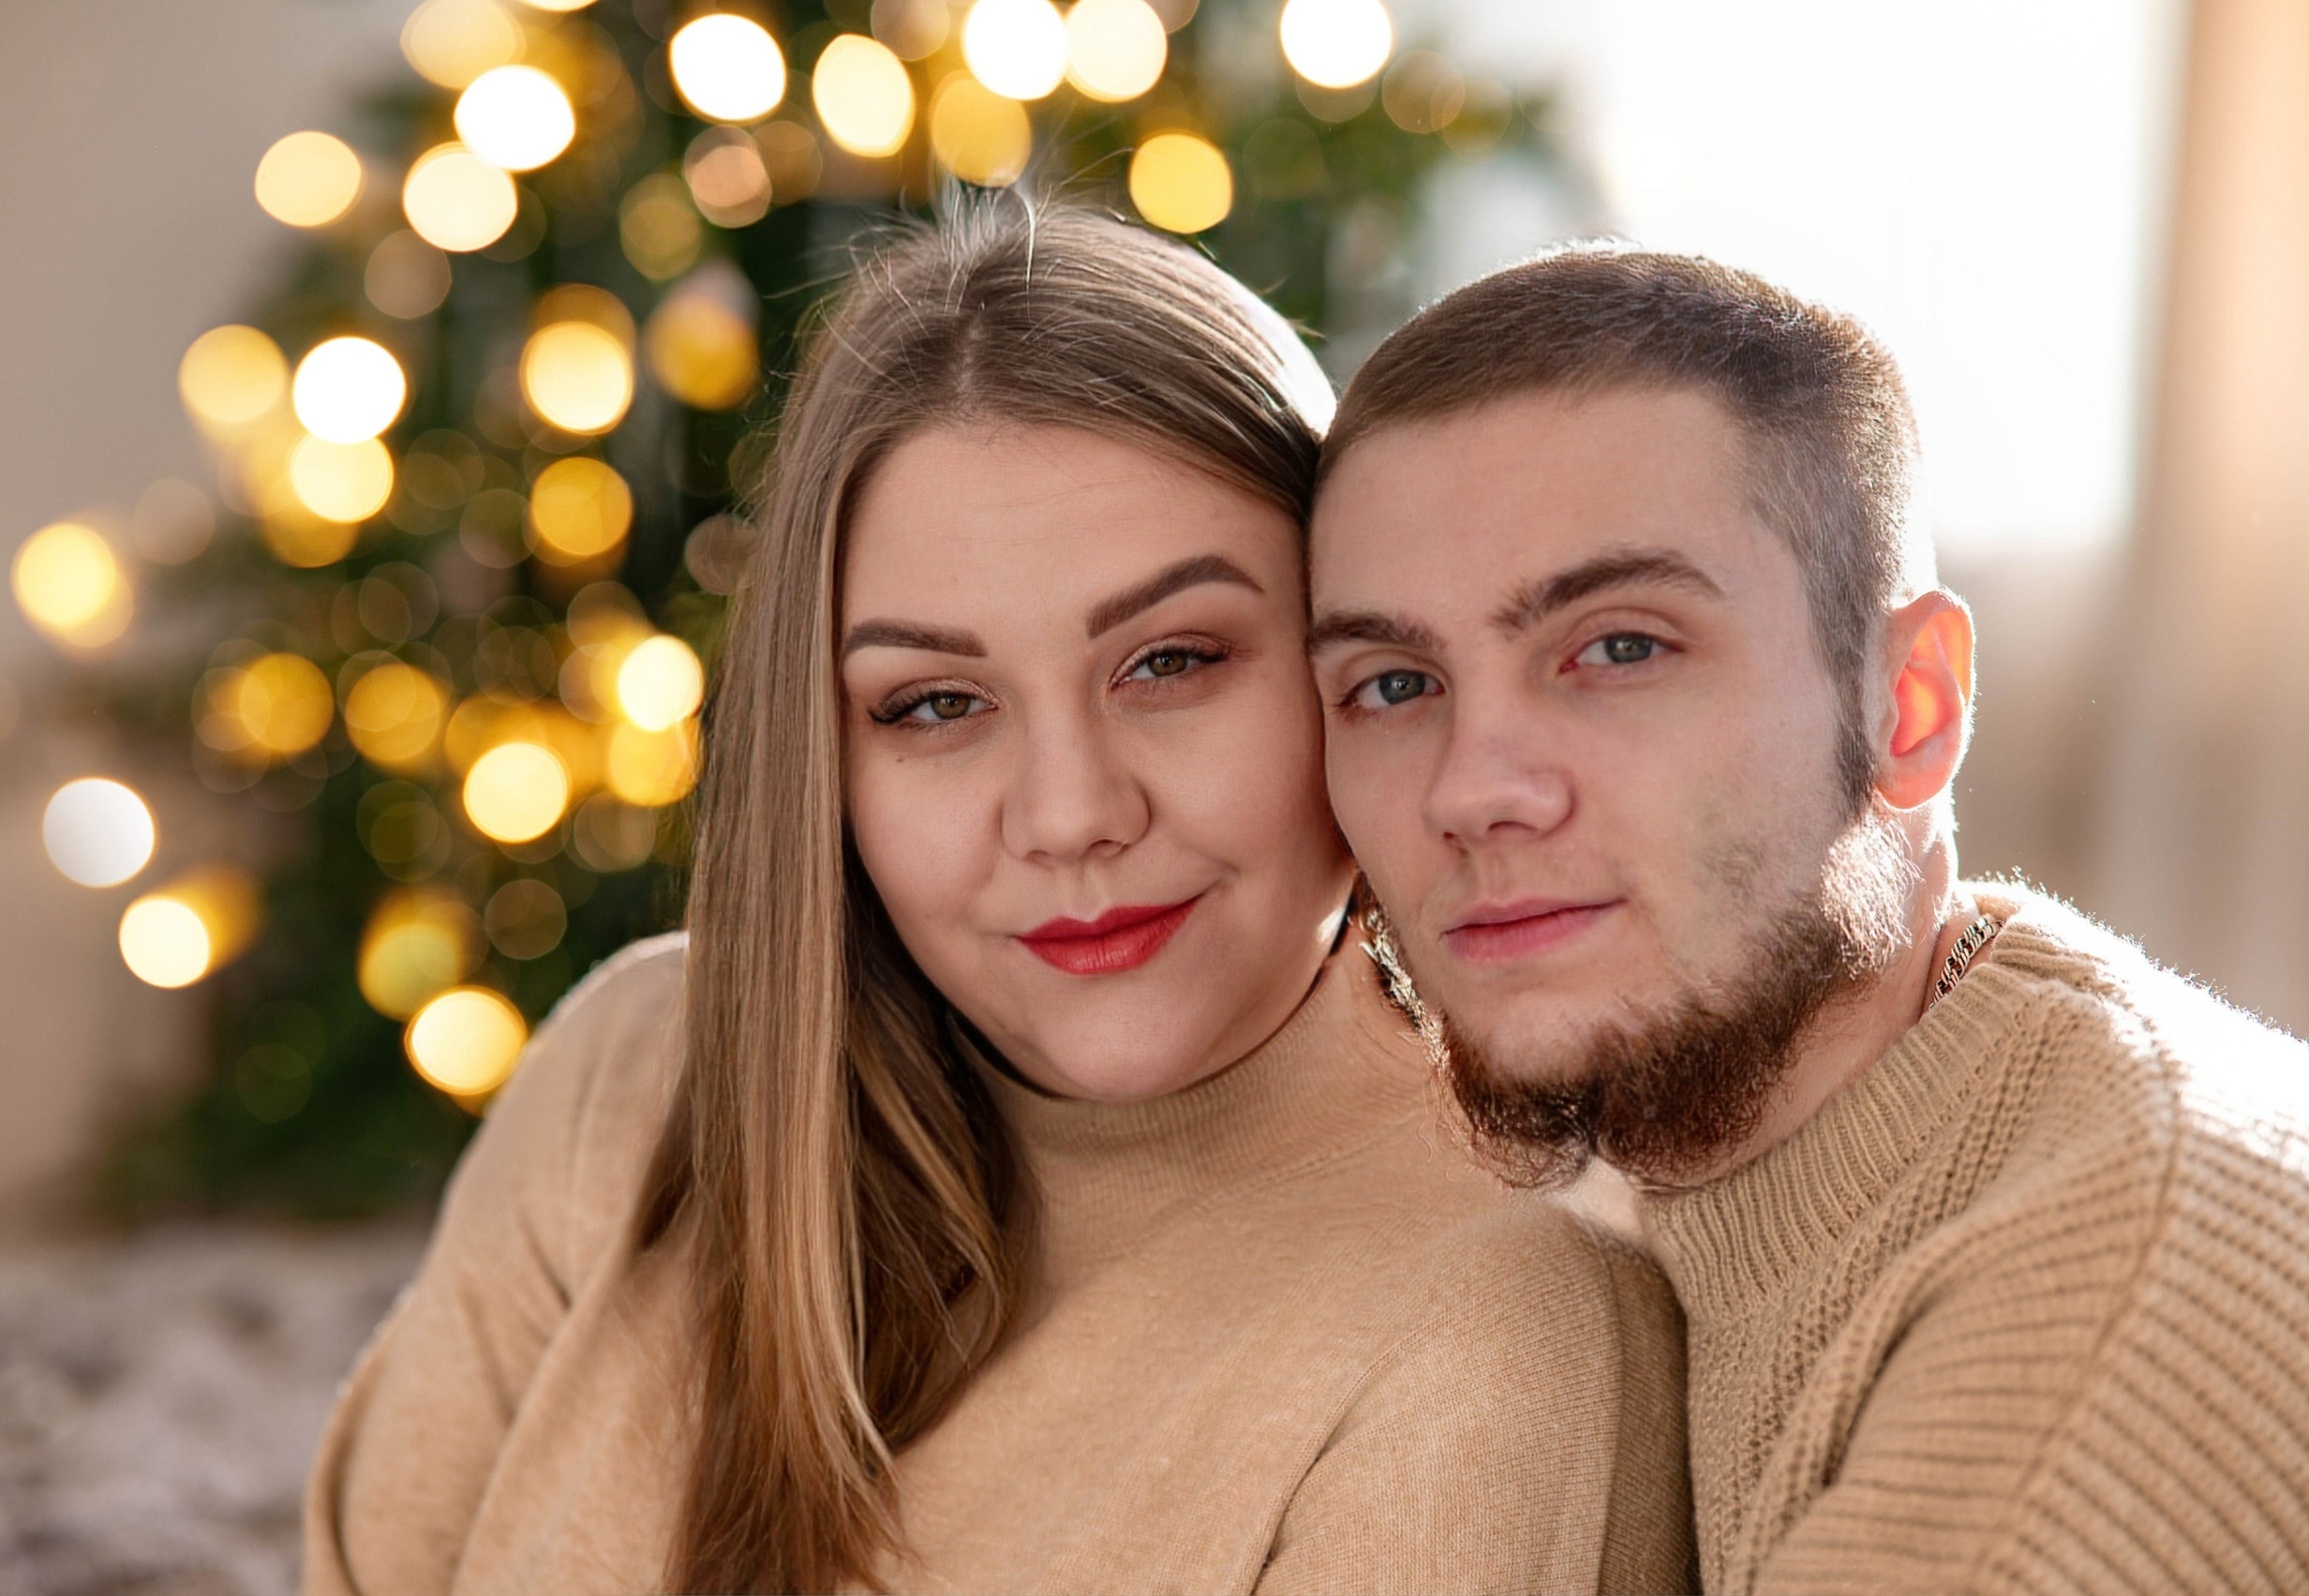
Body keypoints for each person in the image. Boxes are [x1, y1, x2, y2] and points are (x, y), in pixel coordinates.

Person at [301, 207, 1692, 1596]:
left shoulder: (1504, 1332)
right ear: (826, 758)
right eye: (936, 703)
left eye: (1171, 662)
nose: (1071, 815)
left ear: (1356, 661)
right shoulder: (637, 1068)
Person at [1308, 241, 2309, 1595]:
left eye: (1619, 647)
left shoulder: (2096, 1336)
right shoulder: (1725, 1152)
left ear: (1911, 708)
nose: (1474, 789)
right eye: (1390, 683)